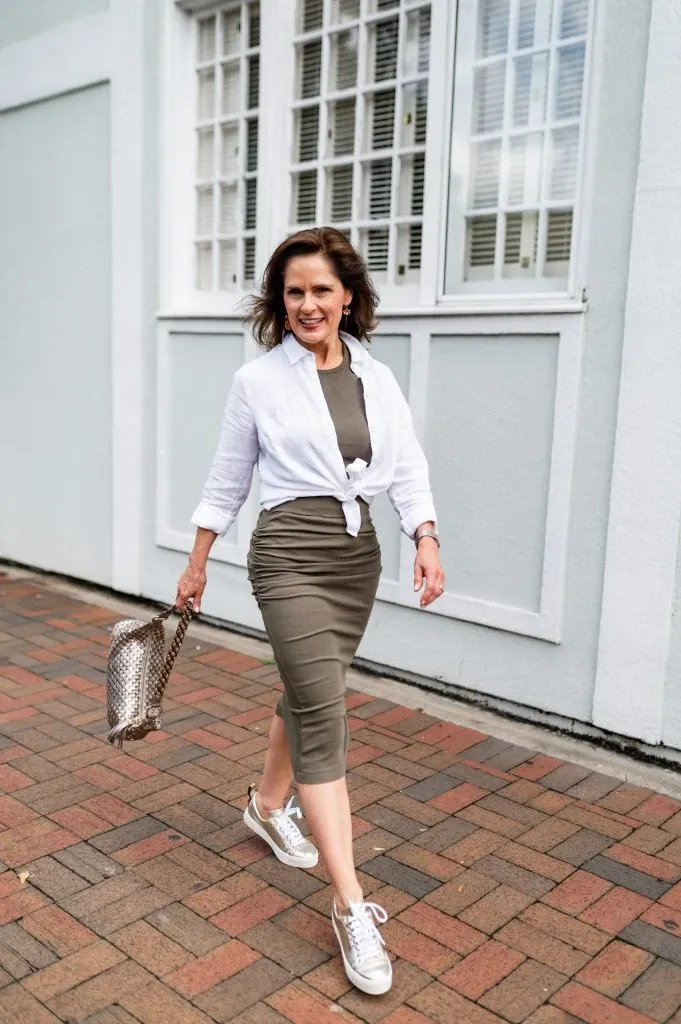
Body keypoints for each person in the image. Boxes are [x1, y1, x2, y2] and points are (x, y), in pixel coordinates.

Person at [175, 226, 445, 996]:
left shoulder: (376, 377)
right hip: (289, 554)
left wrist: (425, 537)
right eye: (293, 291)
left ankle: (267, 805)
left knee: (306, 691)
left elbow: (408, 466)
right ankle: (351, 904)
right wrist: (197, 561)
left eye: (321, 289)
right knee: (324, 714)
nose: (307, 304)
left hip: (356, 560)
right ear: (279, 301)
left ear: (347, 297)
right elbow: (227, 479)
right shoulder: (258, 381)